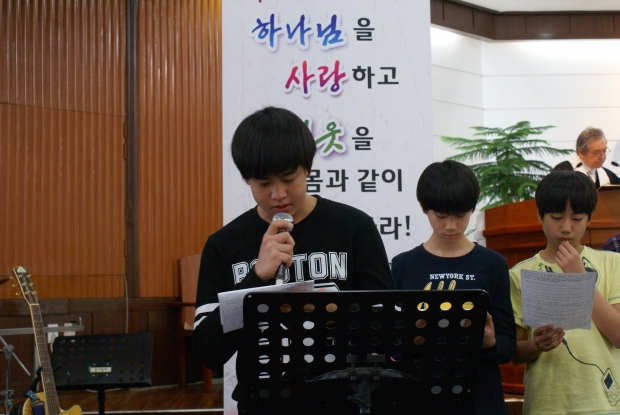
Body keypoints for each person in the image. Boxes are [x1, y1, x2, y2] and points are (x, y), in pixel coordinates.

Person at [192, 106, 394, 414]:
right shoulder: (224, 244)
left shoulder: (354, 228)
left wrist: (330, 311)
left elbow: (389, 329)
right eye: (263, 184)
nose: (278, 194)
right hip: (262, 403)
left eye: (289, 179)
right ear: (247, 179)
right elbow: (208, 352)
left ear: (308, 168)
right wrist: (256, 278)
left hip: (345, 400)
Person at [391, 160, 516, 415]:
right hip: (420, 398)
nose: (451, 225)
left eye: (460, 215)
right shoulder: (404, 265)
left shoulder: (492, 264)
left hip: (481, 399)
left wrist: (490, 342)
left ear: (472, 208)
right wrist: (413, 339)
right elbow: (391, 347)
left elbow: (507, 347)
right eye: (441, 216)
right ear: (423, 207)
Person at [509, 170, 620, 415]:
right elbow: (515, 353)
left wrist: (580, 278)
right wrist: (536, 345)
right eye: (556, 217)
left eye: (577, 218)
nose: (566, 228)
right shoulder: (520, 274)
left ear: (589, 218)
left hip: (603, 404)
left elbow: (618, 335)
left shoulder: (613, 263)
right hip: (547, 404)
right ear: (540, 215)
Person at [553, 127, 620, 188]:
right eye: (597, 152)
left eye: (604, 151)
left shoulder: (607, 175)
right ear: (581, 152)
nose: (603, 156)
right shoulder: (562, 172)